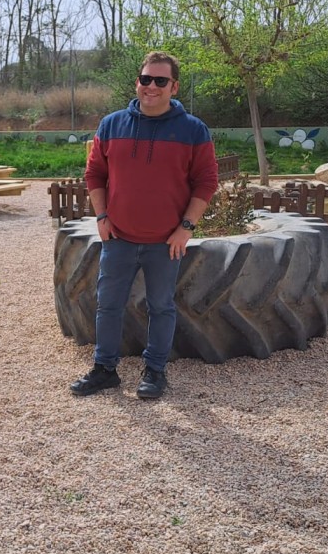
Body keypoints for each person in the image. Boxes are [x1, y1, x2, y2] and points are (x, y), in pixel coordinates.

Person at [70, 51, 218, 399]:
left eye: (160, 81)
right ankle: (105, 369)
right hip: (118, 237)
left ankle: (155, 372)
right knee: (108, 305)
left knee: (161, 306)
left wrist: (186, 227)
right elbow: (95, 173)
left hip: (165, 242)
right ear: (137, 82)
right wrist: (101, 217)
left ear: (174, 86)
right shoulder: (111, 124)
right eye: (145, 79)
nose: (151, 86)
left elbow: (206, 182)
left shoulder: (193, 131)